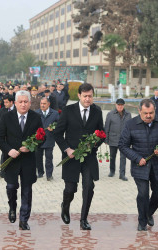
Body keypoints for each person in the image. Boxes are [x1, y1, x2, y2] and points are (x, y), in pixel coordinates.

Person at [54, 83, 104, 230]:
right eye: (85, 96)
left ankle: (84, 219)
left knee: (88, 187)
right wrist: (67, 149)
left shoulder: (97, 111)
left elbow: (101, 133)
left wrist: (95, 144)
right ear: (79, 96)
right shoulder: (68, 111)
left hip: (89, 158)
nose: (88, 99)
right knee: (70, 189)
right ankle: (65, 205)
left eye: (90, 96)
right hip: (72, 157)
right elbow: (57, 133)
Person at [118, 99, 158, 231]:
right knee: (143, 194)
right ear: (139, 111)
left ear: (155, 111)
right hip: (140, 166)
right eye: (145, 113)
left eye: (151, 113)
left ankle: (148, 213)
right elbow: (123, 145)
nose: (148, 116)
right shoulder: (130, 124)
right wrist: (137, 158)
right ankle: (142, 222)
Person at [0, 90, 43, 230]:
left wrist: (31, 147)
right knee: (11, 187)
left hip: (28, 160)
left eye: (25, 102)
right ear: (15, 103)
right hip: (11, 160)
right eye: (20, 102)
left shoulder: (35, 117)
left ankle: (23, 220)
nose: (23, 104)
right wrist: (8, 150)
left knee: (27, 191)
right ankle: (12, 207)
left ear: (30, 103)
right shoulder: (6, 117)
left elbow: (42, 137)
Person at [104, 98, 132, 181]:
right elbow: (106, 127)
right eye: (118, 105)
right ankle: (112, 171)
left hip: (124, 140)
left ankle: (122, 174)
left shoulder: (128, 114)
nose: (120, 106)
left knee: (123, 157)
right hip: (113, 139)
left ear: (124, 105)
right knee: (112, 156)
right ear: (116, 105)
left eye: (121, 105)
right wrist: (106, 139)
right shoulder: (110, 114)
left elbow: (130, 128)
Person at [35, 97, 59, 181]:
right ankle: (40, 172)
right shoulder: (36, 113)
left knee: (49, 158)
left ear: (48, 104)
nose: (42, 105)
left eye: (44, 104)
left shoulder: (55, 113)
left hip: (49, 139)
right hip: (39, 140)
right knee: (38, 158)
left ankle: (49, 175)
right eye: (41, 103)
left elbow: (59, 125)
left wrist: (54, 128)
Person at [0, 95, 15, 178]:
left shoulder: (17, 110)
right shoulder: (2, 110)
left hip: (14, 135)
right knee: (4, 152)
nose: (5, 104)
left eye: (7, 102)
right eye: (4, 102)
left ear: (11, 102)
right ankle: (3, 171)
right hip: (5, 135)